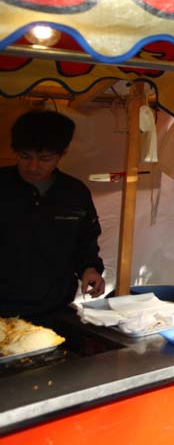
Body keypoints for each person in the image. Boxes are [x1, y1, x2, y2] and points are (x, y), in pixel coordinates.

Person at [0, 110, 105, 322]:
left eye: (44, 159)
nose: (33, 166)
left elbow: (85, 240)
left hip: (55, 309)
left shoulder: (75, 193)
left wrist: (89, 269)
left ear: (63, 152)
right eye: (25, 156)